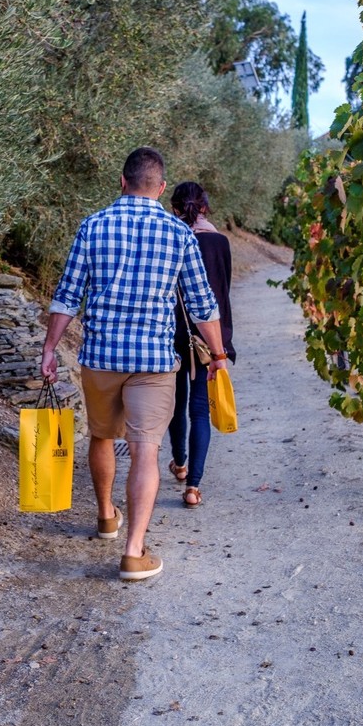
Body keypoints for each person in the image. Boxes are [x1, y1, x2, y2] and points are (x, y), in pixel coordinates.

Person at [40, 147, 230, 581]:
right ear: (161, 189)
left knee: (103, 436)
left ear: (122, 182)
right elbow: (203, 305)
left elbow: (68, 294)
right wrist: (217, 355)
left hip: (101, 357)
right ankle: (133, 552)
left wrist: (50, 348)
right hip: (154, 360)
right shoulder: (179, 234)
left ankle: (107, 516)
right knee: (146, 450)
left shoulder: (93, 226)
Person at [166, 182, 234, 508]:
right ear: (205, 207)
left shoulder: (169, 240)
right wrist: (222, 344)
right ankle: (193, 487)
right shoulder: (220, 242)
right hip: (207, 338)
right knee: (200, 411)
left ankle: (179, 463)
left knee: (176, 404)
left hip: (172, 334)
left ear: (174, 208)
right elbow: (222, 292)